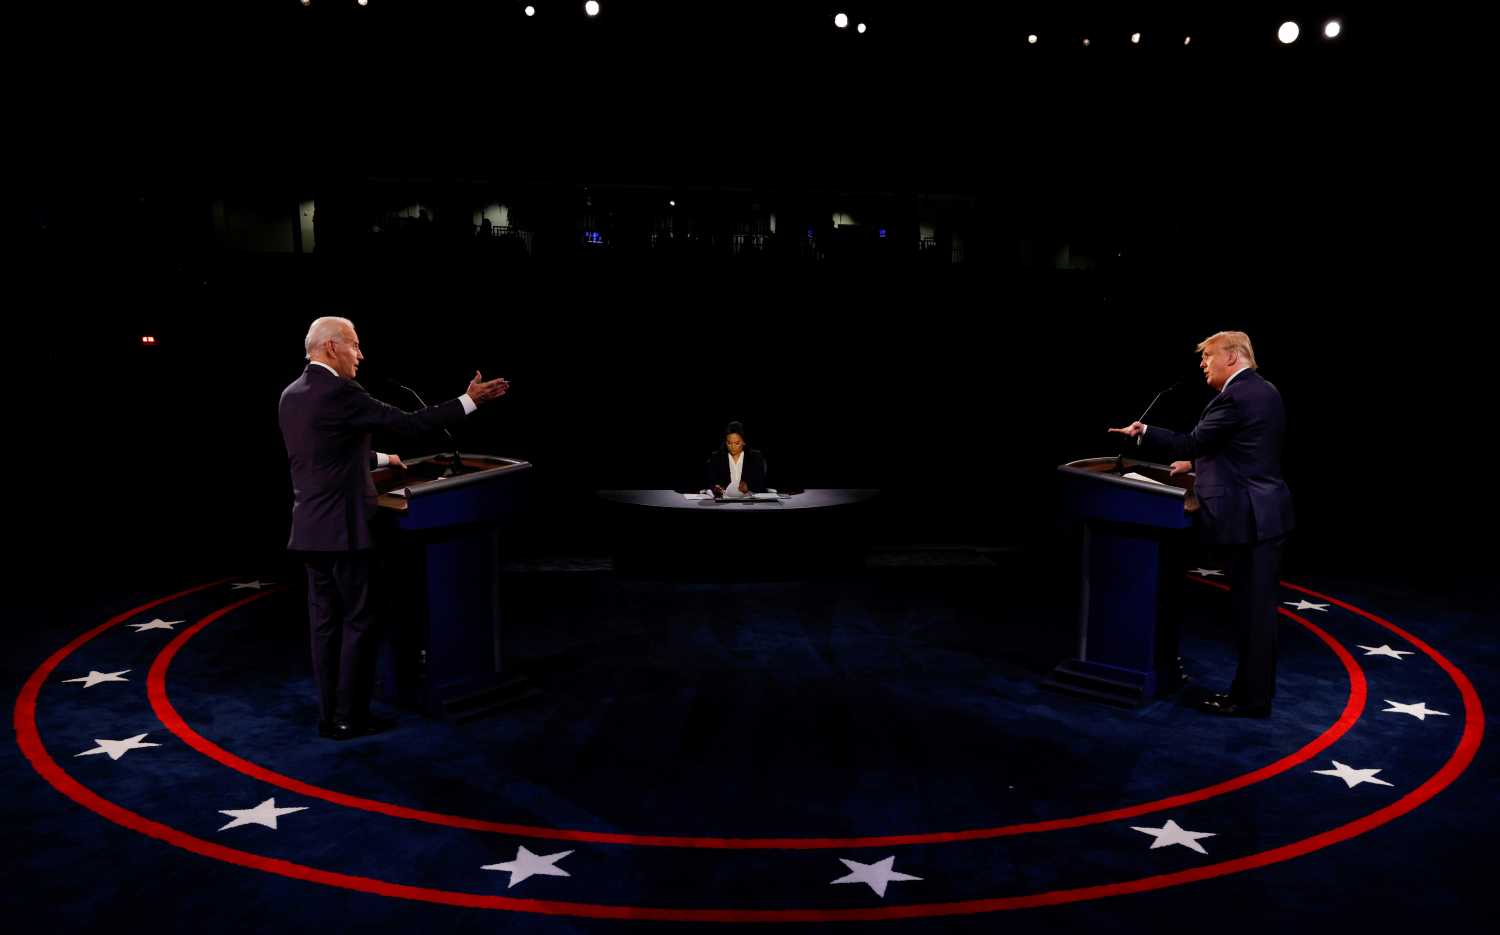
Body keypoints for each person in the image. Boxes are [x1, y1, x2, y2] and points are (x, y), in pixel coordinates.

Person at [279, 316, 509, 740]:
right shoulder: (342, 391)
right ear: (331, 347)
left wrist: (385, 461)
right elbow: (409, 423)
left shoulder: (291, 395)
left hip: (309, 531)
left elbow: (325, 455)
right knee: (359, 622)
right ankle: (351, 718)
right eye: (355, 345)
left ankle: (330, 715)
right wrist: (469, 400)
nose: (360, 355)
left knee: (324, 626)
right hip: (345, 532)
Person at [1110, 330, 1294, 718]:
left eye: (1208, 356)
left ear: (1232, 356)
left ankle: (1250, 699)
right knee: (1255, 613)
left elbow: (1191, 441)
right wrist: (1198, 466)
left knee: (1252, 615)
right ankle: (1252, 694)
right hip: (1264, 513)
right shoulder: (1265, 391)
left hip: (1249, 519)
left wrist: (1145, 433)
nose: (1203, 363)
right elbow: (1246, 448)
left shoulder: (1234, 396)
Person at [704, 421, 768, 498]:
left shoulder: (755, 457)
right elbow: (711, 482)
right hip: (724, 502)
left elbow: (762, 484)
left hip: (749, 502)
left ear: (744, 442)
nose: (732, 446)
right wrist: (716, 488)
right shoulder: (716, 458)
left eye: (737, 443)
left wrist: (749, 487)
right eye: (729, 443)